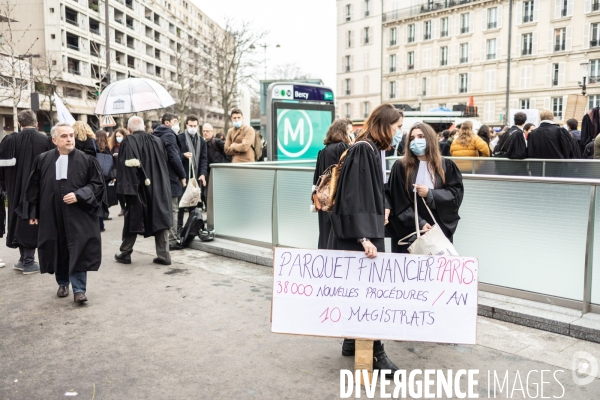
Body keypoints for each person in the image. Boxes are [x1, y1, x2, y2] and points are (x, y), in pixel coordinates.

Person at [329, 104, 400, 376]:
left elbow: (363, 191)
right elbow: (352, 197)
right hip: (361, 237)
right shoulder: (364, 149)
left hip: (361, 234)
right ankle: (375, 353)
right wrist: (363, 237)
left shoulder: (367, 148)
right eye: (396, 127)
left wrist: (383, 204)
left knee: (359, 292)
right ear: (385, 125)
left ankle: (351, 341)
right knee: (369, 295)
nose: (398, 132)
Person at [25, 123, 107, 303]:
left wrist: (79, 195)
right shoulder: (43, 160)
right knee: (58, 247)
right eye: (64, 136)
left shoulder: (87, 160)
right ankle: (63, 283)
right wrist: (33, 211)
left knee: (78, 247)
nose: (69, 139)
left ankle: (79, 289)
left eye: (71, 135)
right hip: (51, 213)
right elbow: (33, 188)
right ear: (54, 140)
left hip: (78, 214)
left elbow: (98, 185)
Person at [387, 122, 464, 253]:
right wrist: (419, 223)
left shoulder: (446, 165)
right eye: (412, 138)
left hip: (437, 228)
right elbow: (397, 200)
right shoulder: (401, 166)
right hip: (409, 228)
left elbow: (455, 195)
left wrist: (431, 193)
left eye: (421, 136)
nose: (416, 141)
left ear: (430, 139)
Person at [0, 109, 53, 274]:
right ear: (36, 124)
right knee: (32, 220)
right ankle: (28, 261)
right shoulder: (46, 141)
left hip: (14, 189)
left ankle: (24, 259)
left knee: (17, 220)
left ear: (19, 124)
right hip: (39, 190)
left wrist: (5, 187)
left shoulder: (8, 141)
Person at [114, 116, 173, 265]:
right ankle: (164, 255)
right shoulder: (156, 140)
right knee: (160, 217)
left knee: (133, 218)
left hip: (138, 187)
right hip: (159, 185)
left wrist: (126, 192)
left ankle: (125, 252)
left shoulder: (128, 142)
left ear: (128, 129)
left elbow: (126, 169)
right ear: (144, 127)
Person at [312, 119, 352, 249]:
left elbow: (317, 179)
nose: (351, 136)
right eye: (349, 132)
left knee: (325, 233)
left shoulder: (323, 151)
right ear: (343, 132)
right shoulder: (343, 148)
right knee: (337, 237)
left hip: (324, 199)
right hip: (338, 199)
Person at [152, 113, 187, 249]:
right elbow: (174, 157)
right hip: (171, 177)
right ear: (167, 123)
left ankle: (163, 241)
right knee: (173, 209)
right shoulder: (169, 135)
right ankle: (172, 241)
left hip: (158, 177)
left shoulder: (155, 134)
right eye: (175, 121)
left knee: (163, 210)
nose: (177, 124)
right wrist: (182, 175)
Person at [175, 115, 208, 246]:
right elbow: (174, 155)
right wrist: (183, 155)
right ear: (186, 126)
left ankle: (194, 229)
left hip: (195, 178)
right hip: (183, 176)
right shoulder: (179, 138)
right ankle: (178, 229)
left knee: (194, 204)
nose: (193, 128)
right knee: (181, 205)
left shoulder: (202, 141)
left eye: (195, 126)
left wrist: (203, 174)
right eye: (190, 126)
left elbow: (204, 159)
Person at [108, 128, 130, 216]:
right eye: (116, 136)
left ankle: (128, 207)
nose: (118, 138)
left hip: (127, 172)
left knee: (127, 191)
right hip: (117, 172)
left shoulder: (128, 145)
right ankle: (123, 208)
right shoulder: (113, 147)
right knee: (119, 192)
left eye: (119, 136)